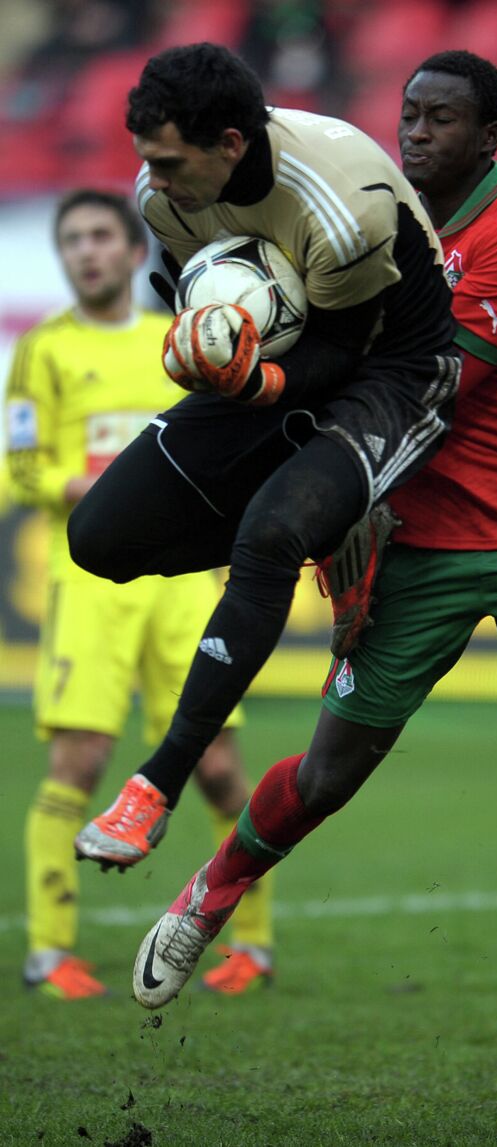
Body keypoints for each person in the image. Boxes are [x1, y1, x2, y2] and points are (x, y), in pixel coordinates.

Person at [127, 52, 497, 1137]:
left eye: (441, 119)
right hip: (426, 542)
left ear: (489, 137)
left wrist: (271, 356)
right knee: (333, 771)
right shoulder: (366, 229)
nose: (415, 133)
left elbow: (420, 381)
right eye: (407, 115)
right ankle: (213, 889)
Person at [67, 42, 459, 863]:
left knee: (269, 534)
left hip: (393, 370)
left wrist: (250, 382)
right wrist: (195, 334)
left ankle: (154, 786)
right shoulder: (162, 196)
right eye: (148, 160)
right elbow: (192, 283)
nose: (155, 179)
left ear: (232, 145)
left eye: (171, 161)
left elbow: (343, 350)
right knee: (98, 539)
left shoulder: (337, 199)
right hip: (277, 364)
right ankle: (332, 525)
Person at [4, 189, 274, 999]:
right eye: (71, 239)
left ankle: (249, 945)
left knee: (219, 768)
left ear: (131, 251)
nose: (85, 251)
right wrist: (81, 481)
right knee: (78, 761)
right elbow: (22, 464)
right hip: (88, 587)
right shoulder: (43, 350)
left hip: (184, 584)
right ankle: (50, 950)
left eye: (99, 236)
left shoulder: (183, 343)